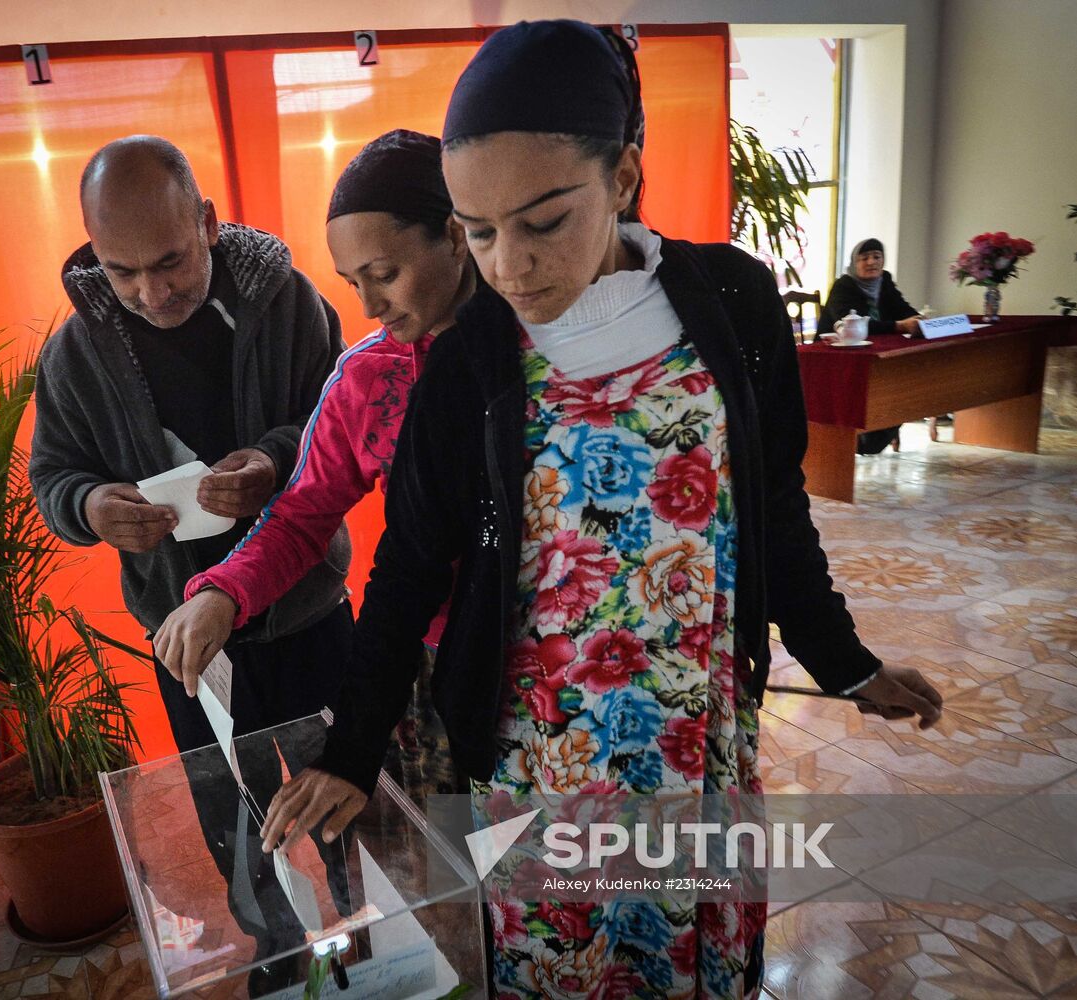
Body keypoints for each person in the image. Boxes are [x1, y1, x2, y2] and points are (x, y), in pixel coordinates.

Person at [258, 22, 943, 999]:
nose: (508, 267)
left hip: (696, 730)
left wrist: (850, 664)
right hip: (542, 750)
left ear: (623, 177)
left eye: (542, 222)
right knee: (563, 965)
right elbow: (407, 565)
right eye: (478, 232)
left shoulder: (734, 303)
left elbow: (774, 509)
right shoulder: (469, 364)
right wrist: (355, 752)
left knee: (695, 960)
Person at [28, 135, 354, 975]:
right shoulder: (72, 354)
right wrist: (93, 507)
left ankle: (369, 927)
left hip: (309, 607)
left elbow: (340, 430)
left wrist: (272, 461)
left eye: (170, 262)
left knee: (350, 783)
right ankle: (276, 950)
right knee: (231, 807)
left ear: (208, 223)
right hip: (184, 634)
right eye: (121, 270)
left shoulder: (290, 306)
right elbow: (54, 477)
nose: (151, 291)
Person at [155, 129, 476, 806]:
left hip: (566, 659)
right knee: (459, 866)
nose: (368, 307)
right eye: (353, 283)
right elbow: (301, 516)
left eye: (384, 275)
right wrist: (222, 592)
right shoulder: (368, 377)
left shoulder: (541, 351)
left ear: (454, 234)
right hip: (431, 661)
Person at [820, 237, 922, 453]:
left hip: (874, 354)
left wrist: (919, 319)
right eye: (864, 257)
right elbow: (858, 326)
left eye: (877, 256)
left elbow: (902, 308)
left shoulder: (884, 281)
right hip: (837, 357)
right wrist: (900, 326)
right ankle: (863, 439)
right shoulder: (844, 286)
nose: (871, 262)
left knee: (904, 379)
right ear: (854, 262)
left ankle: (875, 435)